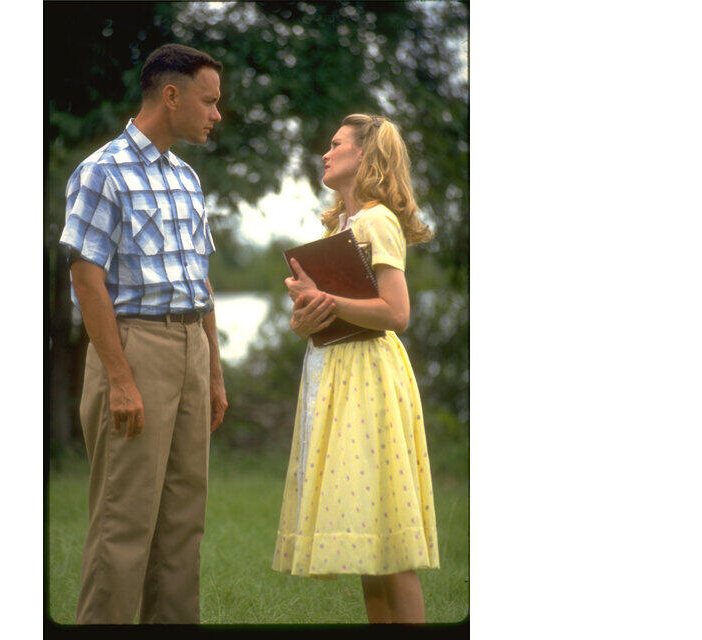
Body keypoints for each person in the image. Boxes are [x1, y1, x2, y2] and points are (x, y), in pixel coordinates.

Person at [58, 43, 229, 625]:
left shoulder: (186, 177)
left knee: (183, 523)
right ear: (171, 95)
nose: (216, 114)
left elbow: (200, 280)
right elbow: (86, 280)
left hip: (192, 347)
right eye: (209, 101)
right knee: (124, 524)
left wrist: (214, 371)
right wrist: (121, 379)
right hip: (136, 348)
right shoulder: (101, 172)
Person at [271, 114, 440, 623]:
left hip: (368, 376)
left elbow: (396, 313)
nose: (325, 153)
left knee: (387, 539)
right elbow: (333, 310)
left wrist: (326, 299)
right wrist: (307, 316)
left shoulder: (377, 221)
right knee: (368, 546)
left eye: (336, 144)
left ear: (364, 155)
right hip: (335, 371)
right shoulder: (338, 227)